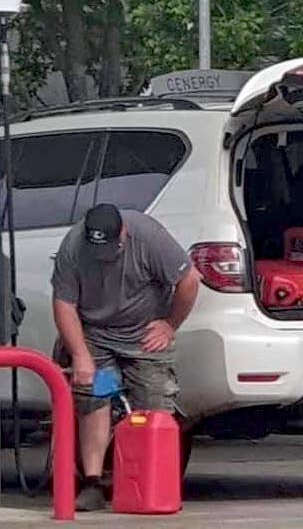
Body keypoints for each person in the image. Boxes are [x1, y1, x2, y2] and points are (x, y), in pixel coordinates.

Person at [51, 203, 200, 511]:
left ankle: (154, 482)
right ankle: (92, 482)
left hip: (144, 335)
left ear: (124, 233)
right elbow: (64, 304)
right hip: (95, 334)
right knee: (95, 396)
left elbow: (189, 280)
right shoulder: (73, 247)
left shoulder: (149, 237)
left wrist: (170, 325)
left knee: (154, 403)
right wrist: (80, 355)